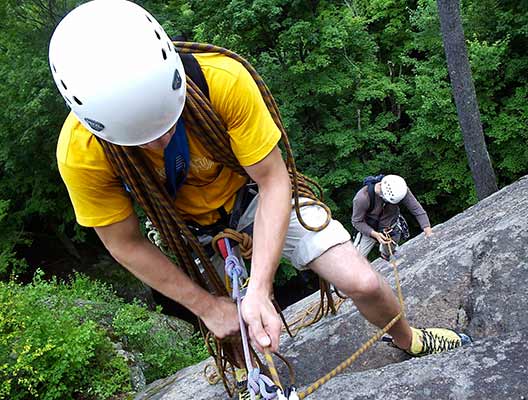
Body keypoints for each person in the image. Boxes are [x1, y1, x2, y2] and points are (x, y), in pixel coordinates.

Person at [50, 0, 470, 397]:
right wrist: (206, 305)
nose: (160, 141)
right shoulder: (83, 153)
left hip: (253, 196)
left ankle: (410, 339)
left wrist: (260, 287)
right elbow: (123, 242)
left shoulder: (220, 80)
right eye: (142, 138)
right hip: (188, 231)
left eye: (166, 121)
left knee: (361, 279)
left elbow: (272, 181)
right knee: (232, 328)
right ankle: (258, 385)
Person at [352, 174, 433, 260]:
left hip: (390, 226)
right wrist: (374, 234)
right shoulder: (362, 198)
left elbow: (416, 209)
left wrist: (427, 230)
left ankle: (384, 256)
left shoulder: (399, 189)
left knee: (387, 253)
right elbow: (357, 222)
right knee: (358, 260)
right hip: (369, 228)